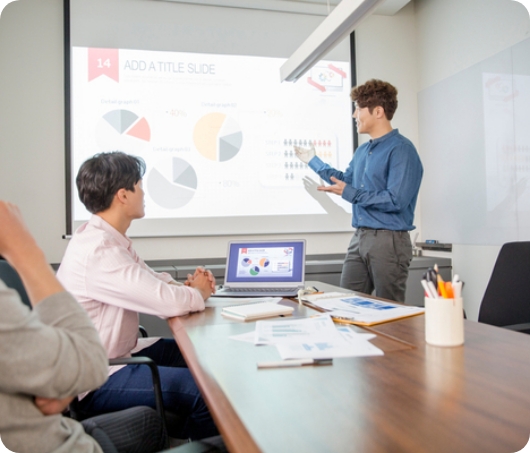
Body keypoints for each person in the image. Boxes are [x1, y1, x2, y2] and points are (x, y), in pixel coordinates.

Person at [56, 152, 219, 440]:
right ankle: (191, 444)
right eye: (140, 186)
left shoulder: (106, 238)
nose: (144, 193)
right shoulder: (99, 251)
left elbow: (150, 280)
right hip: (95, 379)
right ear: (123, 195)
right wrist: (196, 293)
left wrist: (188, 288)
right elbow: (165, 302)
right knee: (208, 393)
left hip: (115, 354)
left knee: (198, 352)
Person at [0, 200, 166, 453]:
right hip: (64, 443)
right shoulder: (98, 245)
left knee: (150, 422)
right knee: (207, 401)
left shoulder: (106, 241)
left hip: (55, 428)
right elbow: (86, 366)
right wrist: (23, 249)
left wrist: (56, 375)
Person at [295, 79, 423, 302]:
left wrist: (351, 193)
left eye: (358, 109)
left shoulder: (402, 150)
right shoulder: (363, 150)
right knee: (345, 302)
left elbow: (396, 200)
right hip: (360, 237)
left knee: (390, 308)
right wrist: (314, 161)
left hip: (389, 241)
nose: (355, 115)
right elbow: (346, 181)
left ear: (378, 112)